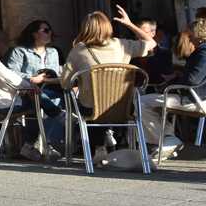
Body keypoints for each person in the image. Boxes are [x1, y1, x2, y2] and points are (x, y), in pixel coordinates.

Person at [60, 8, 155, 148]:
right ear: (108, 27)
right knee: (113, 110)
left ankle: (96, 148)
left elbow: (65, 83)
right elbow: (152, 43)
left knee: (84, 106)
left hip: (92, 108)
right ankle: (113, 140)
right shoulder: (121, 45)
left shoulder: (78, 50)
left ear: (85, 28)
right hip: (123, 107)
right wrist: (129, 24)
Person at [138, 18, 206, 160]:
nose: (188, 36)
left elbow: (192, 80)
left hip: (195, 100)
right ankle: (167, 139)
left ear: (199, 33)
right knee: (153, 104)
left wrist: (175, 80)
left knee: (141, 101)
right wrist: (179, 74)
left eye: (190, 33)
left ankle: (166, 139)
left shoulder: (204, 51)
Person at [0, 26, 63, 160]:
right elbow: (7, 75)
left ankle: (31, 143)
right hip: (4, 104)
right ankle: (36, 141)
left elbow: (2, 77)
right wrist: (29, 85)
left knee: (38, 97)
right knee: (37, 99)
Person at [131, 18, 174, 87]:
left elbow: (164, 78)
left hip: (155, 93)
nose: (140, 36)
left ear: (153, 33)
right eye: (137, 33)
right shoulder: (130, 54)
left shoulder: (165, 54)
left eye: (144, 33)